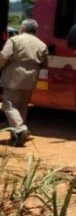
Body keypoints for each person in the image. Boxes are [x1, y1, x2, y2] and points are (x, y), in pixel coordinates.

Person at [0, 19, 49, 147]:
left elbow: (4, 56)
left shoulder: (14, 40)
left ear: (22, 28)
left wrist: (1, 67)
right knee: (22, 105)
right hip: (31, 78)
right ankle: (17, 138)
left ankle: (21, 129)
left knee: (9, 105)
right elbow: (45, 63)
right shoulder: (42, 44)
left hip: (13, 76)